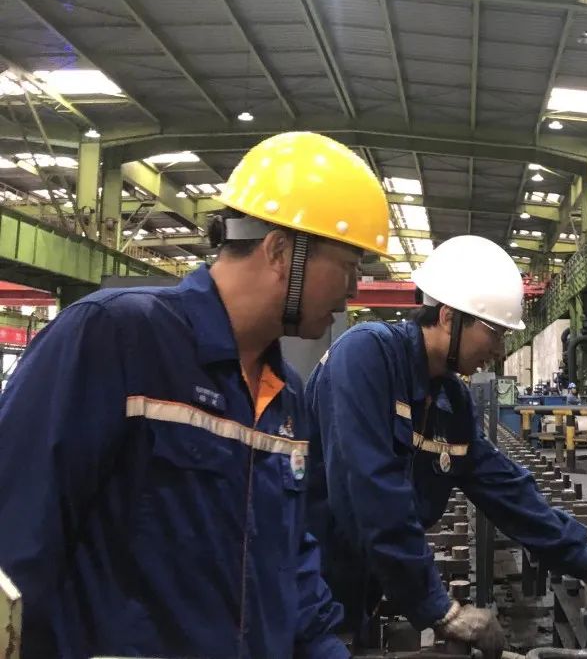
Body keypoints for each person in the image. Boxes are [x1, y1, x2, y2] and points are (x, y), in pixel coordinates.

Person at [0, 131, 392, 658]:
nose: (353, 291)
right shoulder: (117, 339)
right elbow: (16, 539)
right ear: (281, 252)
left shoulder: (285, 396)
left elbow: (289, 565)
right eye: (348, 267)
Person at [306, 234, 587, 658]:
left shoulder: (450, 399)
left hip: (362, 589)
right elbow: (371, 493)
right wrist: (441, 610)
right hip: (309, 590)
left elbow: (504, 487)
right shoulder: (366, 356)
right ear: (449, 317)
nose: (499, 350)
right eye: (495, 333)